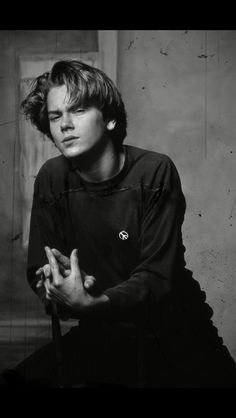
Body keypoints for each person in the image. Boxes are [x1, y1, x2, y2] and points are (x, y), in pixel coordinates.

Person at [3, 59, 236, 388]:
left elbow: (157, 275)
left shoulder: (154, 172)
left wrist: (96, 302)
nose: (65, 125)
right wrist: (55, 285)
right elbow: (42, 264)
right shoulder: (51, 177)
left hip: (174, 330)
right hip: (103, 329)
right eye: (56, 116)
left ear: (110, 118)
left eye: (79, 110)